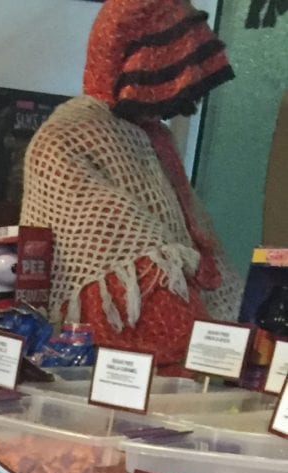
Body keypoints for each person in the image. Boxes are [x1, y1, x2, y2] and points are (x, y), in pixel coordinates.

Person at [21, 0, 243, 364]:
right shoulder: (67, 135)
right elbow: (118, 248)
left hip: (169, 305)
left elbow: (189, 234)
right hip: (112, 327)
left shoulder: (154, 136)